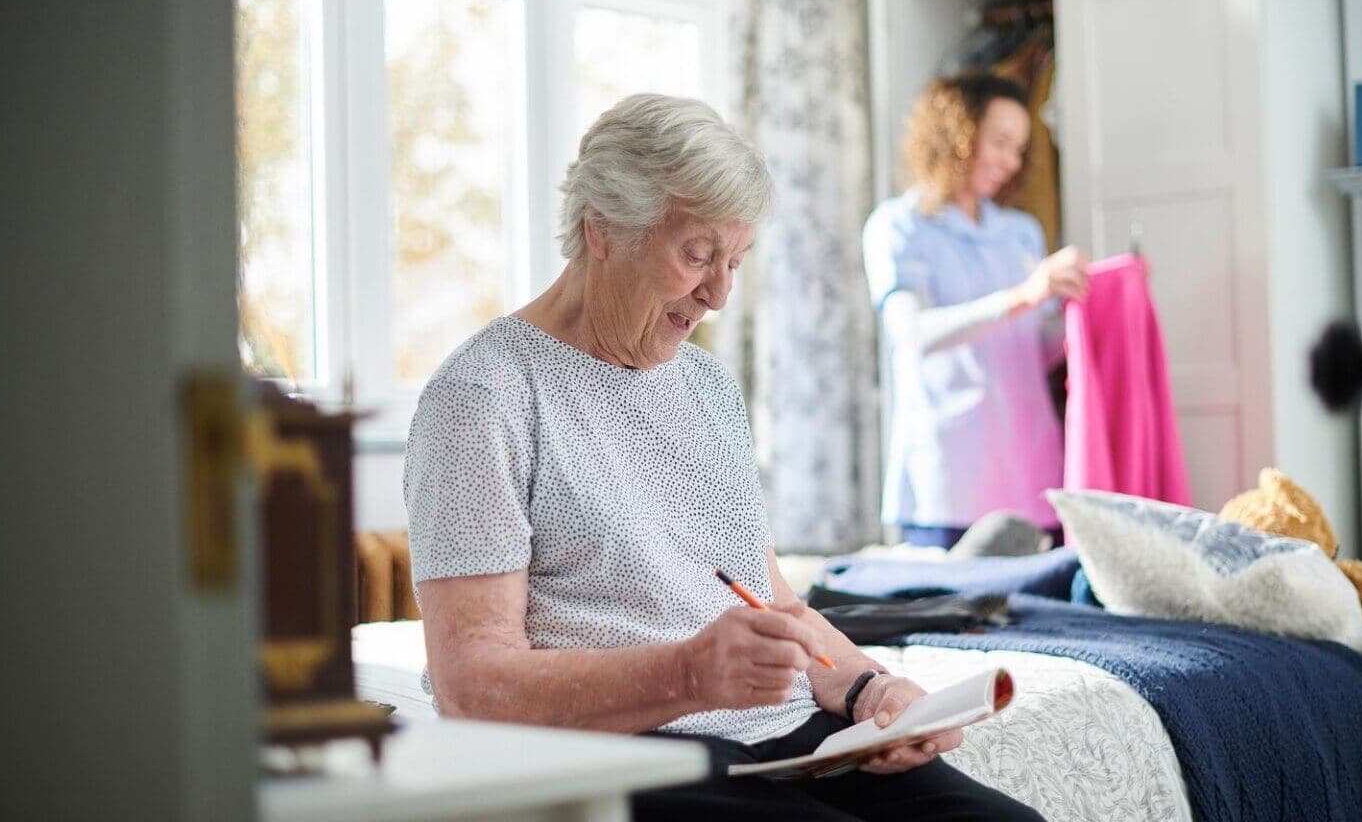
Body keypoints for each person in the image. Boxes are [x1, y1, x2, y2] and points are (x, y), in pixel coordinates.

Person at [404, 93, 1045, 822]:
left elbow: (774, 600)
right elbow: (472, 689)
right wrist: (689, 673)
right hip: (630, 748)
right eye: (697, 254)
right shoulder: (482, 396)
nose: (717, 294)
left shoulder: (706, 384)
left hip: (784, 737)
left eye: (734, 261)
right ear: (603, 228)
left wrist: (869, 690)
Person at [863, 72, 1088, 551]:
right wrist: (1024, 295)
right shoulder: (898, 227)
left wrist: (1092, 310)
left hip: (1030, 470)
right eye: (1000, 143)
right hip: (949, 476)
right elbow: (914, 333)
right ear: (957, 134)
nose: (1010, 161)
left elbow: (1034, 349)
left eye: (1019, 149)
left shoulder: (1021, 233)